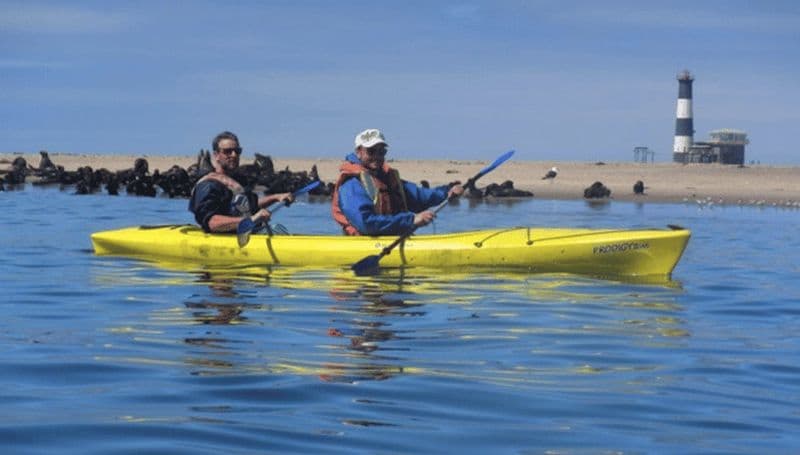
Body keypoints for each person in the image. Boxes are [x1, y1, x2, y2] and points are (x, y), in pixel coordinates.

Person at [331, 128, 463, 236]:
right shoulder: (351, 184)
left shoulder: (386, 178)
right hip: (364, 242)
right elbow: (366, 224)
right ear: (358, 152)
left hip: (391, 238)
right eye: (371, 151)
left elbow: (420, 196)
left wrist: (447, 192)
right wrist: (412, 220)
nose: (377, 156)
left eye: (381, 151)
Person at [189, 131, 293, 233]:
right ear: (216, 155)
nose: (234, 155)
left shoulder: (238, 181)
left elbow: (249, 205)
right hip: (224, 240)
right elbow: (212, 223)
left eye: (237, 151)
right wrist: (251, 219)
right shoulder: (208, 186)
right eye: (227, 151)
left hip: (249, 234)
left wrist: (275, 198)